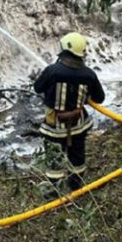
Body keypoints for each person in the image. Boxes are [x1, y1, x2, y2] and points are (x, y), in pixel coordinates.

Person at [33, 32, 105, 196]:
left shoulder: (52, 71)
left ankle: (53, 192)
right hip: (78, 125)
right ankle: (76, 186)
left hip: (54, 126)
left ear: (65, 50)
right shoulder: (89, 74)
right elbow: (99, 98)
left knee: (54, 159)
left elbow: (37, 88)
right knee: (77, 156)